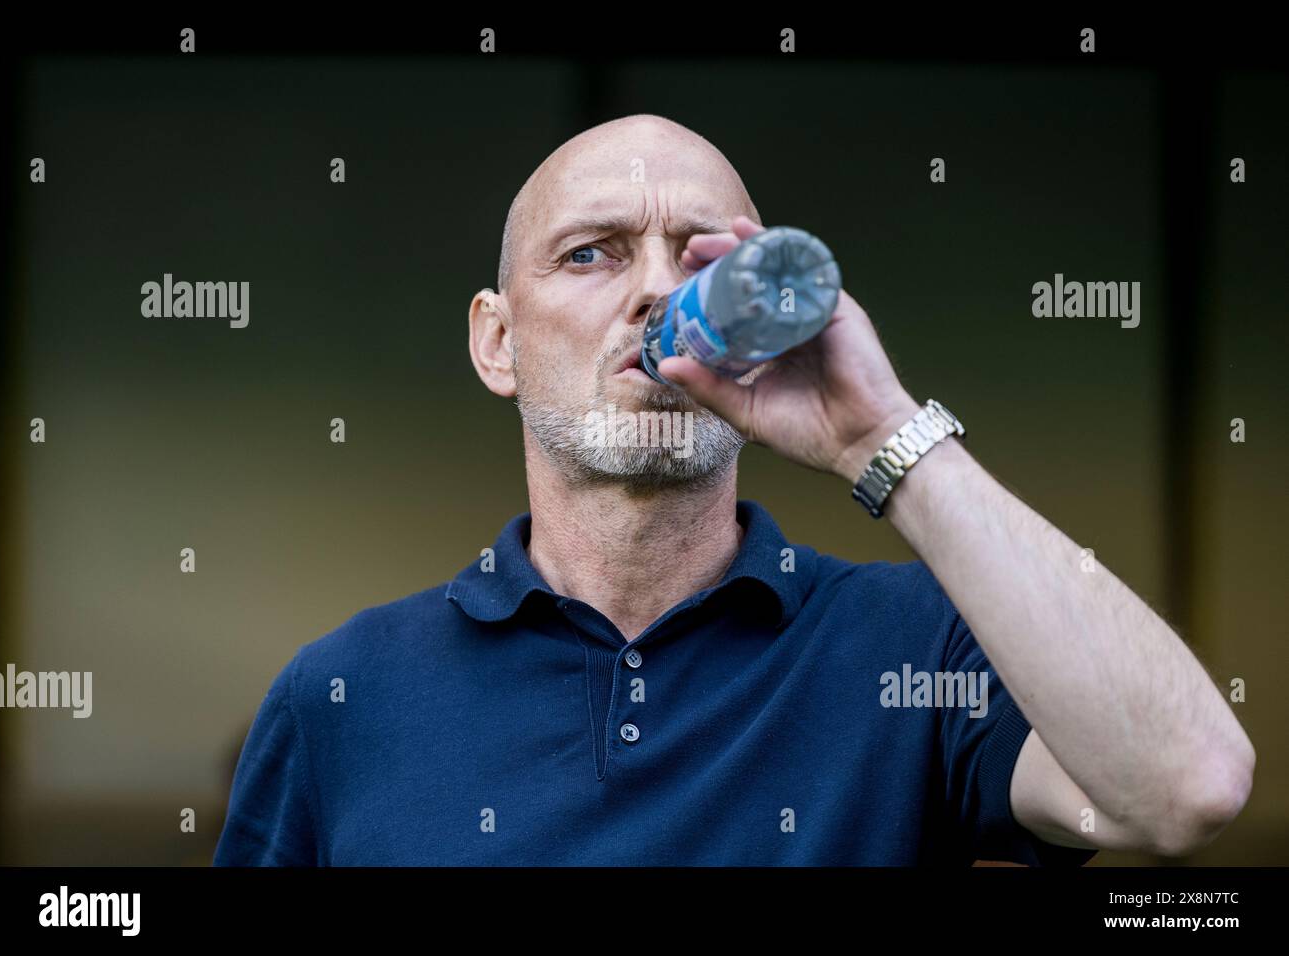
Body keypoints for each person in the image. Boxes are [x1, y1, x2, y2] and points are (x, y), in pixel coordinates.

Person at [214, 114, 1254, 866]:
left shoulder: (910, 647)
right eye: (592, 253)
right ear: (496, 340)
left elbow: (1187, 786)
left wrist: (880, 434)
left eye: (702, 259)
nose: (657, 288)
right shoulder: (344, 693)